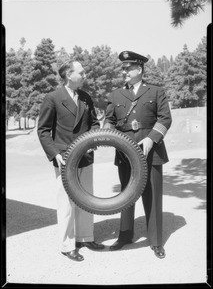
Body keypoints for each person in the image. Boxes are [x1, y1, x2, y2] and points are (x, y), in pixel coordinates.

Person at [104, 51, 172, 259]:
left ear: (139, 69)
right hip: (125, 153)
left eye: (127, 68)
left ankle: (156, 241)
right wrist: (106, 131)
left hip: (151, 152)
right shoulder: (114, 95)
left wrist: (151, 138)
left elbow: (165, 118)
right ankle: (125, 236)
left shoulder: (156, 91)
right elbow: (109, 121)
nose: (123, 71)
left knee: (152, 196)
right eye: (122, 68)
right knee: (126, 195)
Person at [37, 60, 105, 262]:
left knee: (87, 199)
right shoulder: (53, 98)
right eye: (81, 72)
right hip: (65, 159)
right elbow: (43, 130)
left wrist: (93, 140)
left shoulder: (85, 97)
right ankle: (67, 245)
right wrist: (55, 153)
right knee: (66, 203)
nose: (85, 76)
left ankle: (85, 237)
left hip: (86, 156)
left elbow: (94, 123)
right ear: (68, 75)